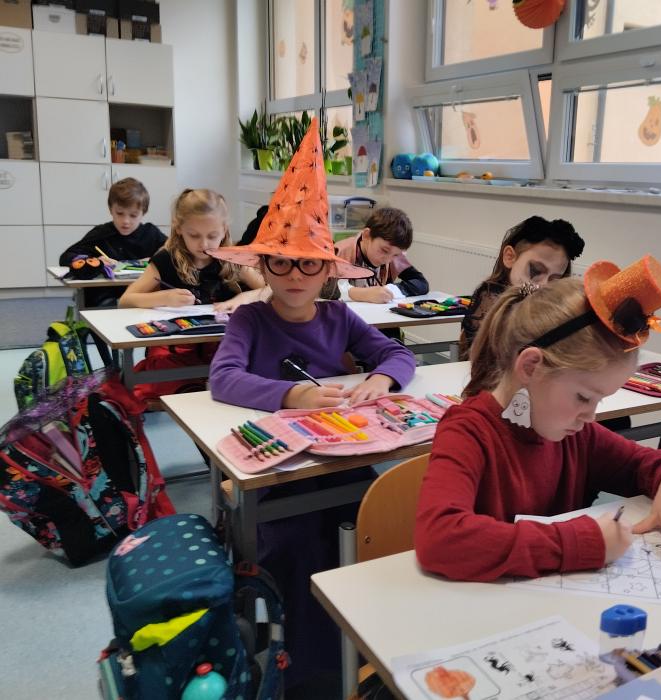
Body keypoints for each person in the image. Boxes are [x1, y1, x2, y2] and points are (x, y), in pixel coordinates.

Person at [207, 119, 416, 695]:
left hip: (342, 459)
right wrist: (292, 394)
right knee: (298, 550)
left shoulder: (338, 315)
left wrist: (382, 379)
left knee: (382, 520)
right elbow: (223, 379)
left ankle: (372, 646)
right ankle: (307, 668)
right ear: (262, 266)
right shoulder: (250, 319)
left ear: (328, 269)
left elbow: (396, 355)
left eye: (307, 263)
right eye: (280, 262)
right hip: (278, 472)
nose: (294, 275)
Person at [416, 256, 661, 582]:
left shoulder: (577, 435)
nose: (591, 415)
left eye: (600, 400)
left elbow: (650, 462)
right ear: (530, 367)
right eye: (583, 397)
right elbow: (440, 539)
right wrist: (583, 543)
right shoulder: (467, 431)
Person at [118, 189, 267, 403]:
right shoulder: (166, 260)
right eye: (194, 236)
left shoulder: (231, 258)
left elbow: (270, 290)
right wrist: (164, 298)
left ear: (224, 230)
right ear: (179, 229)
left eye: (212, 236)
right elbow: (125, 300)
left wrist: (242, 298)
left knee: (254, 364)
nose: (204, 244)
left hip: (221, 345)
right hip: (173, 349)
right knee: (163, 374)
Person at [459, 216, 585, 359]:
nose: (544, 285)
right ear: (510, 257)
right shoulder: (489, 297)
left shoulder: (549, 304)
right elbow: (497, 361)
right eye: (536, 271)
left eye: (554, 280)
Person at [58, 177, 166, 307]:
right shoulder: (101, 233)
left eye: (133, 215)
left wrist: (156, 259)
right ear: (111, 209)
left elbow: (175, 253)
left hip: (141, 294)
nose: (126, 221)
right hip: (105, 294)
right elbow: (66, 257)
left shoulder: (151, 234)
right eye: (120, 213)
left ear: (144, 212)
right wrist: (95, 262)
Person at [326, 207, 429, 303]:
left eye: (396, 255)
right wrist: (364, 294)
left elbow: (421, 283)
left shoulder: (392, 254)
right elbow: (325, 289)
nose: (388, 260)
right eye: (384, 250)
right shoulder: (341, 251)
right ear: (366, 235)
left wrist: (390, 290)